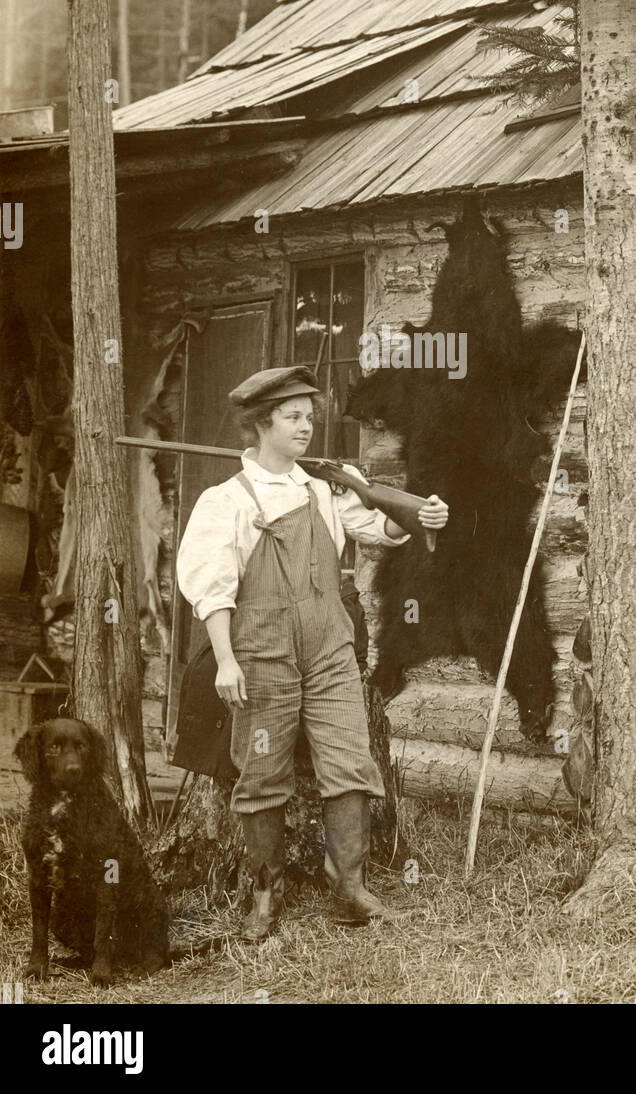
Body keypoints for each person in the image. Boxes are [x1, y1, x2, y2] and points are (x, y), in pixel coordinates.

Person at [176, 365, 449, 937]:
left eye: (309, 417)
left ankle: (348, 888)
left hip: (330, 648)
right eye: (294, 418)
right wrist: (226, 659)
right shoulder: (224, 501)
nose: (306, 427)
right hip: (260, 653)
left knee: (350, 762)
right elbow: (211, 588)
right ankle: (265, 895)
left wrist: (419, 516)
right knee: (261, 773)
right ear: (261, 424)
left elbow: (378, 526)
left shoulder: (325, 486)